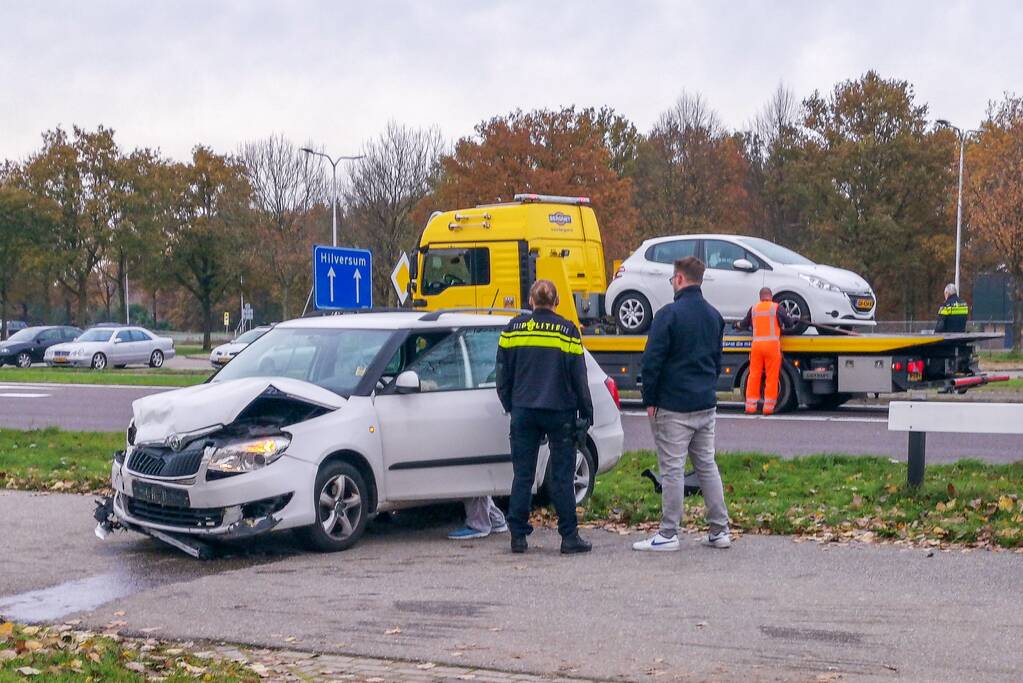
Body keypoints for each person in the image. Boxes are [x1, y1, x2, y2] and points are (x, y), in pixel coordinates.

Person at [633, 256, 731, 552]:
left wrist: (649, 399)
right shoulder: (714, 316)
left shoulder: (668, 315)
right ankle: (719, 529)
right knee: (706, 465)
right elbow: (716, 361)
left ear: (678, 279)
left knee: (672, 468)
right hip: (705, 403)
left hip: (673, 405)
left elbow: (652, 362)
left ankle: (668, 533)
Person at [496, 279, 594, 555]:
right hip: (559, 411)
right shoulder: (567, 331)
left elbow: (502, 373)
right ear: (556, 302)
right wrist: (586, 412)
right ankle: (569, 537)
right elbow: (579, 376)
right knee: (562, 476)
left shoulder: (512, 329)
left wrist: (510, 403)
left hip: (523, 410)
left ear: (531, 301)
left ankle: (518, 537)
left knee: (523, 476)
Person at [735, 287, 795, 415]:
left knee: (754, 375)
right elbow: (789, 324)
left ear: (760, 297)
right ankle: (768, 408)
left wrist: (737, 325)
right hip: (772, 346)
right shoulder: (776, 307)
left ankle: (750, 407)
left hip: (757, 346)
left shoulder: (754, 308)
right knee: (771, 377)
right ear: (771, 296)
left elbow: (744, 324)